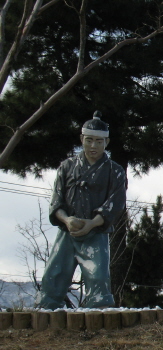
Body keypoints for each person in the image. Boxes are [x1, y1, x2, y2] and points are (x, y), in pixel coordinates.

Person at [35, 112, 127, 309]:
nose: (93, 146)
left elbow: (116, 203)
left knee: (99, 277)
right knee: (54, 275)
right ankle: (45, 313)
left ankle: (99, 317)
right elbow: (56, 202)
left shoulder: (115, 171)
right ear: (81, 139)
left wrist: (93, 223)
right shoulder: (67, 167)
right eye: (89, 140)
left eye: (99, 141)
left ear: (107, 142)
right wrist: (67, 220)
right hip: (67, 231)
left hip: (96, 233)